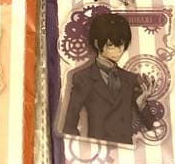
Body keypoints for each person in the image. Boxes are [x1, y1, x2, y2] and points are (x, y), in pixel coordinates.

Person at [60, 11, 153, 145]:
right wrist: (81, 149)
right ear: (97, 44)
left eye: (121, 44)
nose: (119, 50)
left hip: (126, 150)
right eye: (111, 45)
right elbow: (70, 123)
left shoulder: (130, 79)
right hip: (97, 150)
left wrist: (141, 105)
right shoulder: (83, 78)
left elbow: (151, 126)